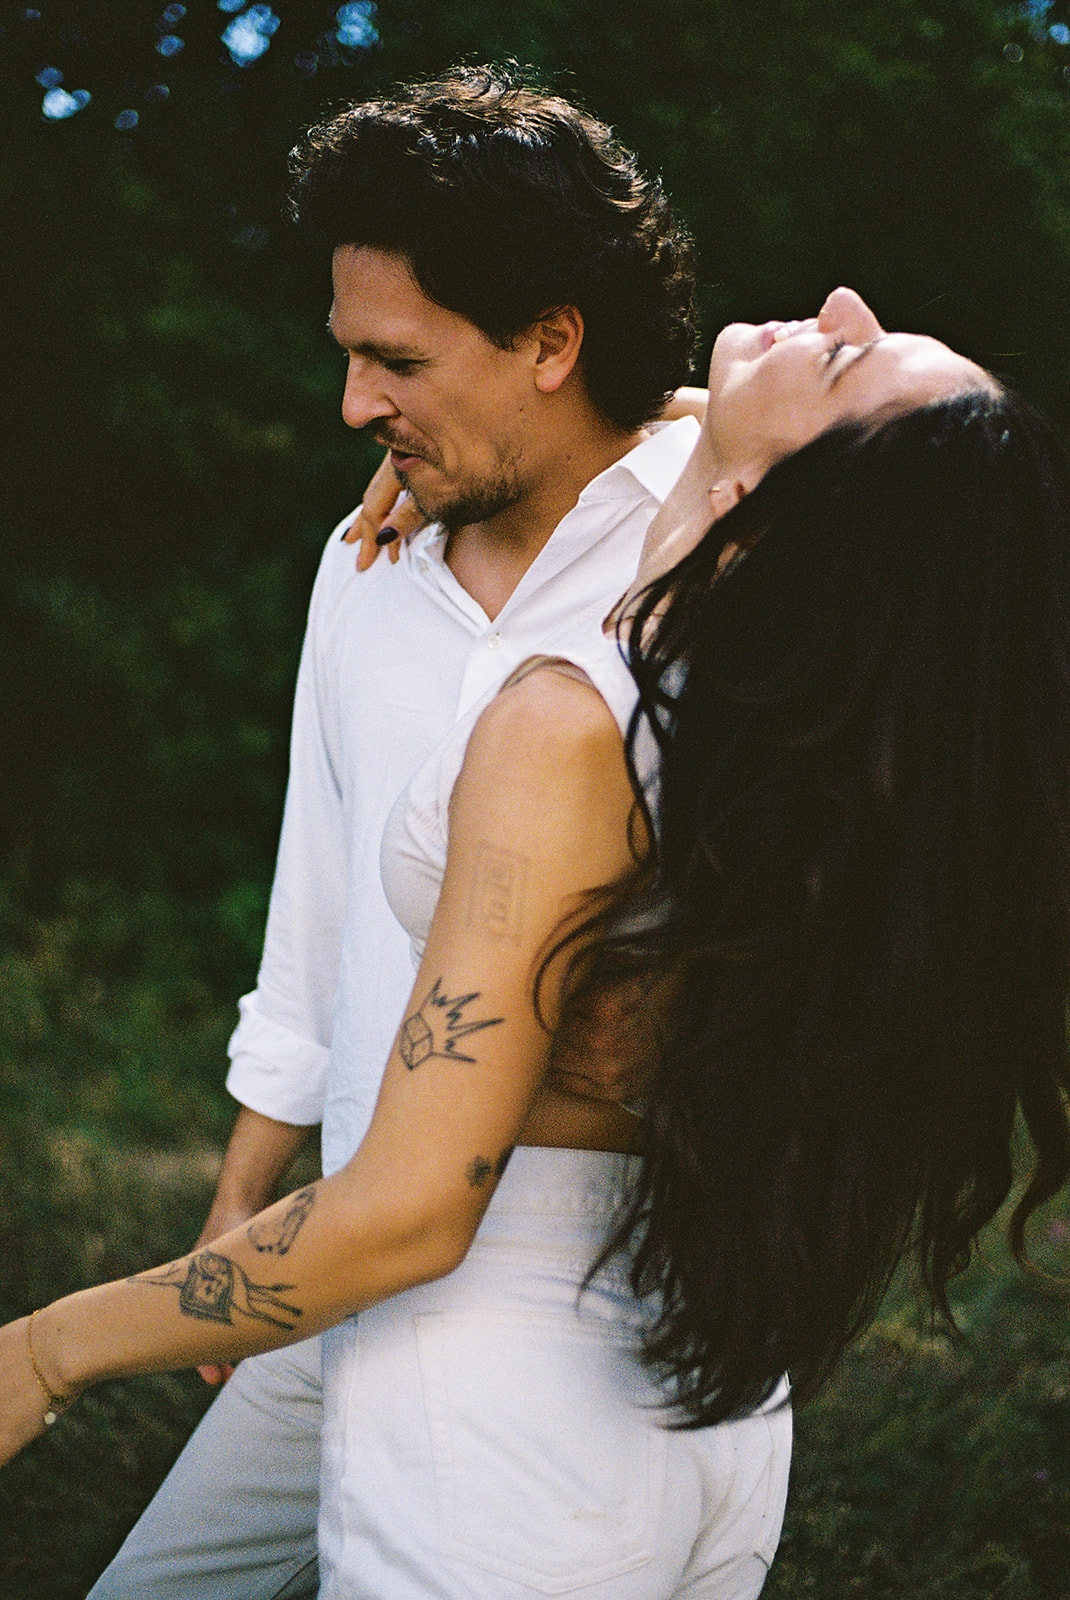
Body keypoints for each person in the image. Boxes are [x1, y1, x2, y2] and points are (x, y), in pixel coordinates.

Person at [9, 270, 1070, 1599]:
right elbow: (804, 496)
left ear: (797, 518)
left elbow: (402, 1216)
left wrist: (44, 1353)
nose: (844, 302)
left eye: (854, 365)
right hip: (692, 1404)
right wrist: (471, 443)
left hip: (492, 1406)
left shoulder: (572, 728)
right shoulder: (762, 723)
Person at [83, 63, 706, 1600]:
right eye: (351, 358)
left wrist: (683, 418)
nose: (356, 405)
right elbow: (314, 895)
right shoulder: (358, 567)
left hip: (587, 1305)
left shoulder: (736, 553)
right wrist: (247, 1189)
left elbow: (924, 409)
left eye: (398, 362)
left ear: (553, 340)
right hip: (339, 1242)